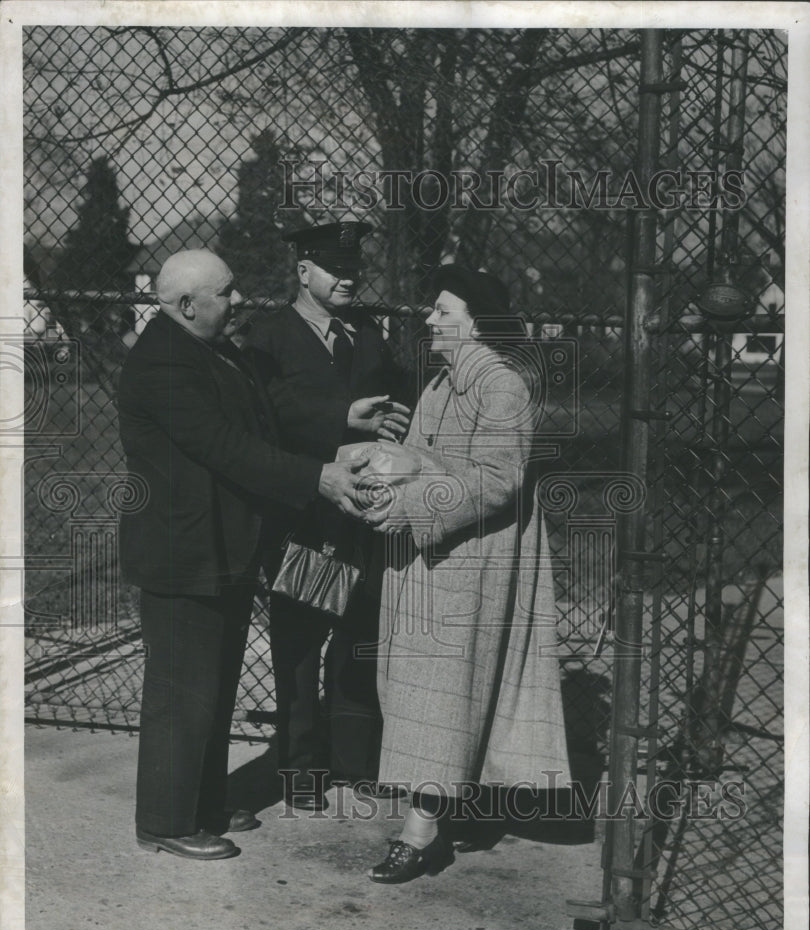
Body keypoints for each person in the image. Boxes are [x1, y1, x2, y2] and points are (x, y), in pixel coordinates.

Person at [117, 249, 370, 860]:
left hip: (222, 546)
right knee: (183, 689)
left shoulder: (210, 349)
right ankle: (165, 820)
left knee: (214, 683)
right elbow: (227, 446)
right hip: (184, 551)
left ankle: (201, 802)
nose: (239, 303)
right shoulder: (162, 365)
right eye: (226, 293)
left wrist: (337, 424)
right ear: (184, 306)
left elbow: (260, 419)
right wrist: (318, 478)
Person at [363, 264, 572, 884]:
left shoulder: (499, 387)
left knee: (442, 691)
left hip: (470, 559)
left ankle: (420, 833)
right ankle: (451, 805)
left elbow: (497, 480)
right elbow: (441, 461)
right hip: (432, 558)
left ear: (476, 324)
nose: (430, 318)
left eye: (443, 310)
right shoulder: (443, 384)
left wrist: (408, 502)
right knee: (429, 692)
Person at [244, 221, 410, 810]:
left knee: (358, 638)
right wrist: (344, 416)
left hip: (365, 514)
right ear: (303, 271)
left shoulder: (365, 332)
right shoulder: (268, 338)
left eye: (354, 268)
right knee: (300, 647)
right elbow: (266, 415)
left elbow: (394, 396)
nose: (348, 278)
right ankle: (301, 773)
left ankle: (354, 761)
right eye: (335, 268)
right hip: (307, 516)